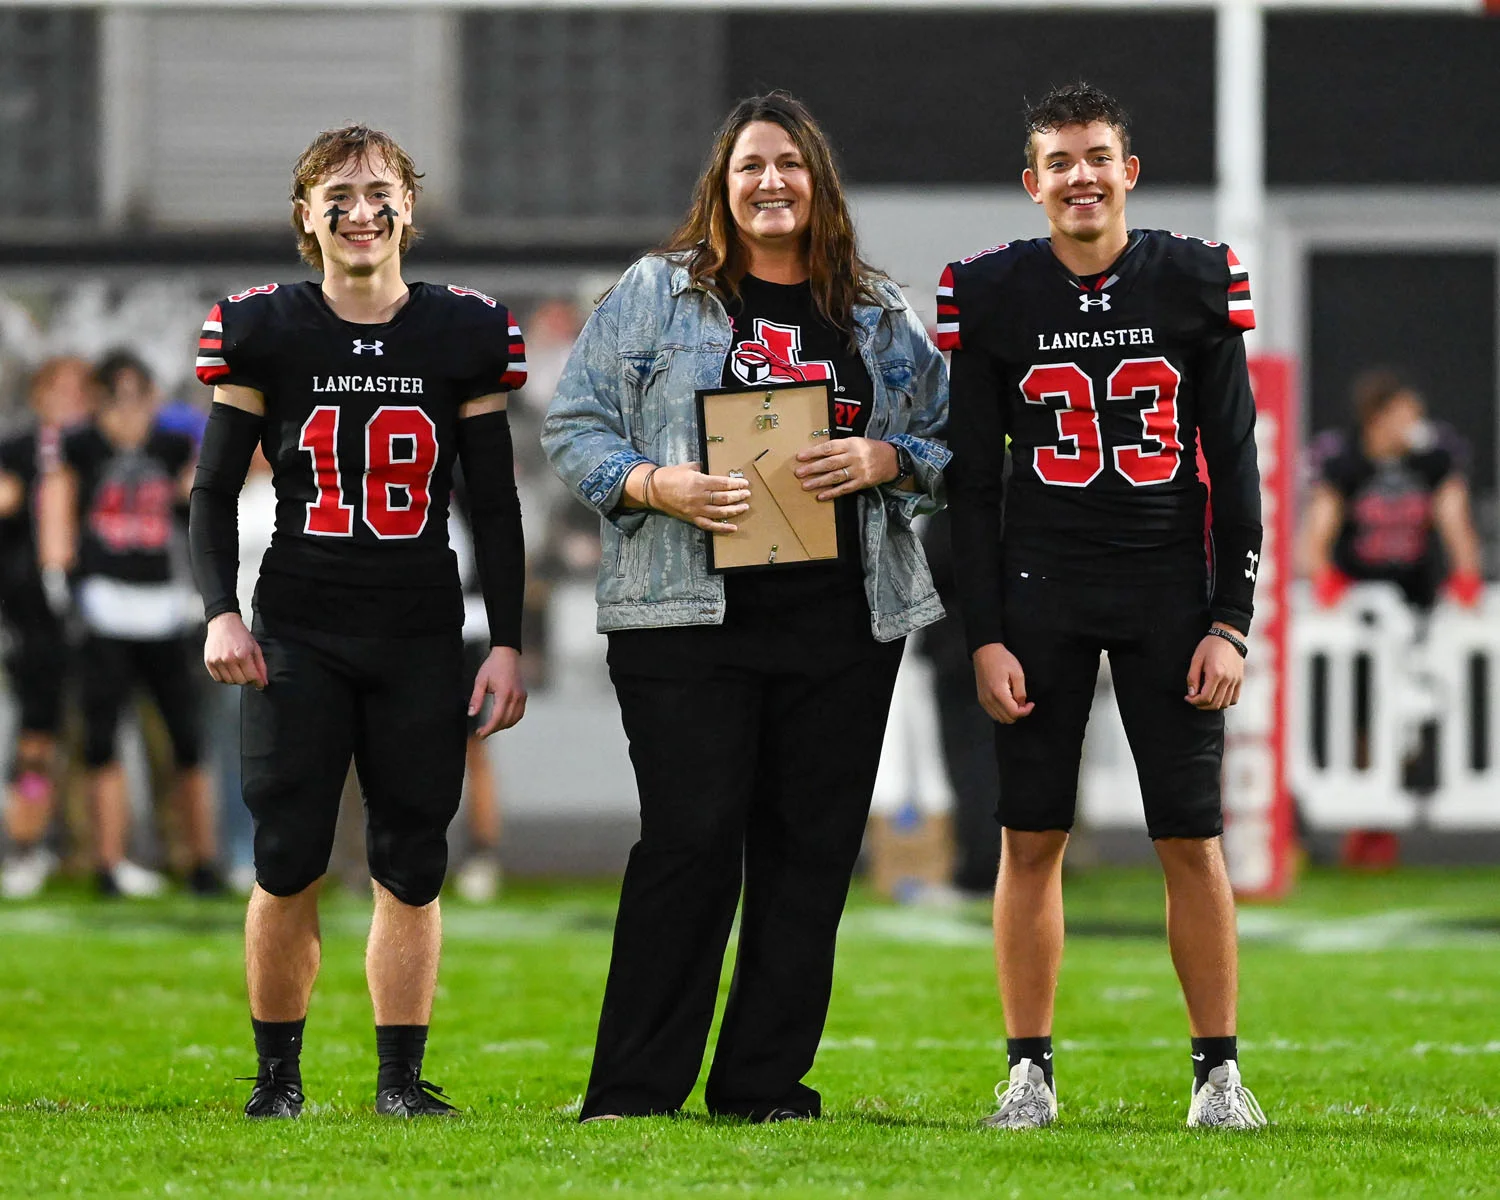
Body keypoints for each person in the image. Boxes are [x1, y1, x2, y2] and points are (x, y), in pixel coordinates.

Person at [543, 91, 949, 1123]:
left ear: (820, 181)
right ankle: (632, 1093)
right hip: (684, 621)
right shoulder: (652, 294)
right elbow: (574, 427)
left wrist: (885, 456)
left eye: (790, 165)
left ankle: (763, 1085)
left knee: (809, 860)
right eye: (751, 167)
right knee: (687, 844)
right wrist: (652, 485)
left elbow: (954, 443)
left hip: (842, 627)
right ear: (721, 189)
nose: (772, 183)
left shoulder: (879, 313)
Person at [186, 124, 529, 1120]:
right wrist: (220, 611)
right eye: (338, 193)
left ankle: (399, 1082)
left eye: (380, 190)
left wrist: (505, 636)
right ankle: (277, 1078)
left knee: (412, 862)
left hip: (421, 626)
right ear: (307, 216)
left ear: (410, 209)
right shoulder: (264, 327)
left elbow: (495, 502)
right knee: (288, 853)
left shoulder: (462, 329)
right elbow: (210, 492)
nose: (362, 209)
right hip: (300, 620)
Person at [941, 82, 1266, 1130]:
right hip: (1041, 591)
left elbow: (1235, 461)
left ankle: (1218, 1070)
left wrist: (1231, 618)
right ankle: (1027, 1069)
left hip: (1169, 588)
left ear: (1128, 170)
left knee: (1190, 834)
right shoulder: (991, 293)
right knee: (1030, 835)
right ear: (1032, 184)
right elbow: (973, 484)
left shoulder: (1196, 279)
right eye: (1060, 161)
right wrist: (984, 631)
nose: (1081, 177)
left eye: (1099, 157)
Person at [36, 350, 220, 899]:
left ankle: (200, 859)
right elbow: (58, 505)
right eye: (116, 399)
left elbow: (203, 504)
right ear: (97, 402)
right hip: (105, 604)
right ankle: (108, 861)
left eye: (137, 398)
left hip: (164, 605)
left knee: (186, 741)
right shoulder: (77, 446)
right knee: (100, 741)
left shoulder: (171, 445)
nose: (127, 411)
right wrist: (58, 572)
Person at [1299, 368, 1484, 866]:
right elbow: (1315, 534)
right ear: (1378, 418)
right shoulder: (1346, 461)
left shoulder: (1432, 459)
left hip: (1417, 604)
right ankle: (1368, 819)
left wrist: (1466, 574)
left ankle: (1381, 812)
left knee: (1415, 709)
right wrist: (1327, 579)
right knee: (1361, 712)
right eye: (1404, 413)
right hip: (1365, 610)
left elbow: (1454, 519)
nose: (1414, 423)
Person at [0, 357, 92, 898]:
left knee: (100, 736)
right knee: (37, 736)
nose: (68, 398)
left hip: (100, 610)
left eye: (78, 389)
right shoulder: (16, 452)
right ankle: (26, 844)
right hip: (33, 617)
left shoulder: (100, 451)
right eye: (57, 388)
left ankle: (93, 851)